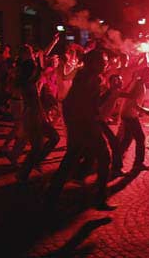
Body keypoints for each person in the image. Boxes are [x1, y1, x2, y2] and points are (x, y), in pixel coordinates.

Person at [45, 49, 115, 210]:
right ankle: (100, 198)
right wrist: (109, 94)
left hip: (79, 123)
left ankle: (51, 194)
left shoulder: (84, 75)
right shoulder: (92, 78)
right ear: (95, 63)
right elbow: (88, 104)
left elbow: (80, 102)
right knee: (104, 157)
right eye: (103, 62)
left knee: (71, 158)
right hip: (86, 124)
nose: (106, 64)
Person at [13, 44, 60, 182]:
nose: (32, 54)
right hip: (32, 116)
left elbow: (40, 61)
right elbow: (39, 69)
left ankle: (32, 165)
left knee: (54, 138)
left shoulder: (29, 77)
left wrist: (51, 45)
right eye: (30, 52)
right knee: (38, 145)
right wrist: (39, 61)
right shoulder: (27, 79)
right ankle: (23, 174)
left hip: (37, 114)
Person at [116, 67, 149, 173]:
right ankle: (137, 163)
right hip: (130, 115)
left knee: (127, 139)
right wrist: (145, 110)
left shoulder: (139, 84)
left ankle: (116, 163)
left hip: (129, 114)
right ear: (145, 75)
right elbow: (133, 102)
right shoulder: (139, 85)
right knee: (140, 138)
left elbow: (131, 99)